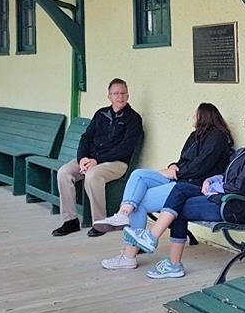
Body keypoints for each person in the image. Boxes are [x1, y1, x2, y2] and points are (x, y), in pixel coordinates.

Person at [127, 110, 245, 279]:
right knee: (181, 189)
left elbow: (240, 186)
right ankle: (157, 244)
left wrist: (216, 188)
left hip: (234, 207)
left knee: (178, 207)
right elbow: (228, 175)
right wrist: (211, 180)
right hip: (223, 199)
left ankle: (164, 253)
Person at [96, 103, 234, 269]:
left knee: (138, 203)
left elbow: (201, 166)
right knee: (138, 175)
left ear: (204, 117)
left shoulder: (217, 138)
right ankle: (123, 214)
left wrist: (178, 172)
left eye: (195, 114)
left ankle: (128, 256)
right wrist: (173, 166)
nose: (192, 117)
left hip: (194, 186)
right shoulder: (196, 135)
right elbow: (184, 160)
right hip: (181, 178)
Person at [52, 78, 143, 238]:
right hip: (92, 160)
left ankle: (100, 223)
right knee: (64, 172)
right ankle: (70, 221)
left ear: (128, 95)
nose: (119, 97)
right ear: (109, 96)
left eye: (123, 93)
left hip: (117, 163)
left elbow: (124, 149)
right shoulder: (101, 114)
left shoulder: (133, 119)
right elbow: (86, 138)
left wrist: (96, 161)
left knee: (93, 176)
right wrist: (82, 159)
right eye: (115, 93)